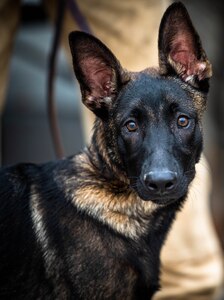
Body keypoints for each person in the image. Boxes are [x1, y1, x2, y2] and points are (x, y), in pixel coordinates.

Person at [0, 0, 223, 298]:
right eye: (132, 127)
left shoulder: (182, 83)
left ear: (193, 67)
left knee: (185, 278)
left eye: (182, 120)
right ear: (96, 94)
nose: (160, 172)